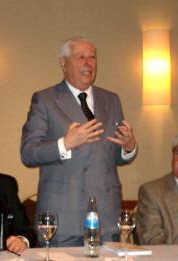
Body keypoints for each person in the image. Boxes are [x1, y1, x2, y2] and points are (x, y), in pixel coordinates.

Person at [20, 37, 137, 246]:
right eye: (80, 57)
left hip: (106, 217)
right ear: (63, 64)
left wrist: (128, 147)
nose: (88, 63)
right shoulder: (45, 99)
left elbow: (114, 156)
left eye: (92, 57)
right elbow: (28, 153)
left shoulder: (111, 100)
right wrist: (65, 143)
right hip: (63, 218)